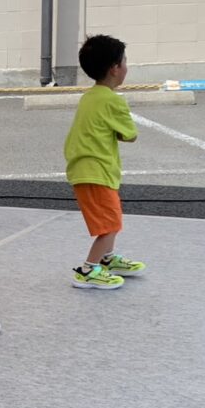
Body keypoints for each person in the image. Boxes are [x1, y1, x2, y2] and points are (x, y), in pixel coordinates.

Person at [64, 34, 144, 289]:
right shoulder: (112, 100)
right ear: (114, 69)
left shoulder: (89, 96)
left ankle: (107, 258)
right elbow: (130, 135)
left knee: (111, 218)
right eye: (124, 62)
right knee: (110, 224)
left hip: (86, 170)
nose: (126, 67)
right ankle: (88, 270)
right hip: (96, 171)